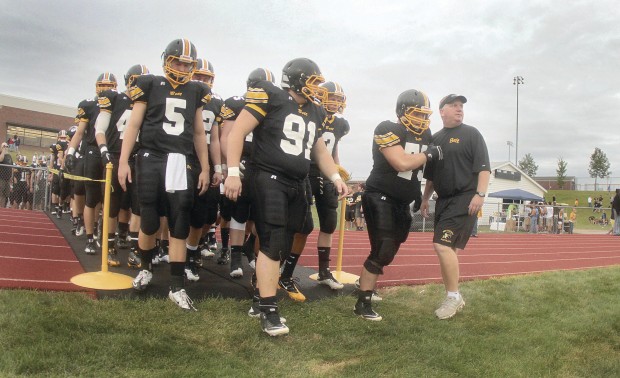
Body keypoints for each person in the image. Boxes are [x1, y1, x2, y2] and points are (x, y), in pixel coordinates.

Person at [224, 57, 348, 336]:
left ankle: (261, 293)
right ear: (296, 79)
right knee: (272, 239)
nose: (318, 88)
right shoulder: (271, 96)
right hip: (269, 177)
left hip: (297, 182)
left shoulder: (315, 111)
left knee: (287, 239)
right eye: (313, 81)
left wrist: (336, 177)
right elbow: (236, 133)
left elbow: (319, 151)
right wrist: (232, 171)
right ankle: (269, 310)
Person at [118, 38, 211, 311]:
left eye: (187, 63)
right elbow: (133, 125)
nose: (182, 67)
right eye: (178, 62)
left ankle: (177, 285)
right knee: (148, 218)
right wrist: (124, 161)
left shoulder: (196, 90)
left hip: (181, 160)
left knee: (179, 221)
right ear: (167, 61)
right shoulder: (149, 84)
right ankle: (145, 267)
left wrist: (205, 167)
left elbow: (197, 133)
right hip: (150, 156)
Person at [355, 88, 440, 321]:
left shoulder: (427, 135)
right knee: (381, 250)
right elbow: (401, 163)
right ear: (403, 112)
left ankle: (363, 282)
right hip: (379, 196)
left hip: (403, 202)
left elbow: (427, 170)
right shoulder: (387, 128)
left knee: (390, 251)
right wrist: (429, 154)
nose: (423, 119)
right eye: (417, 114)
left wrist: (422, 196)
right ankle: (363, 302)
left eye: (425, 115)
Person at [279, 80, 350, 302]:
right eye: (333, 97)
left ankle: (323, 271)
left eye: (339, 98)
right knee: (301, 225)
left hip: (326, 175)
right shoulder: (312, 112)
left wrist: (337, 171)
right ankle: (285, 271)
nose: (336, 102)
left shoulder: (340, 124)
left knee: (329, 224)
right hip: (306, 171)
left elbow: (333, 147)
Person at [421, 94, 491, 320]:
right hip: (443, 200)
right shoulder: (435, 138)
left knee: (441, 246)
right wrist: (424, 199)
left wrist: (480, 194)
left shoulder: (471, 134)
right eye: (454, 105)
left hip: (465, 198)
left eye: (461, 106)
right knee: (448, 251)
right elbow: (430, 176)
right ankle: (451, 295)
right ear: (442, 111)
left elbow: (483, 168)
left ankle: (453, 296)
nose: (459, 109)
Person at [0, 142, 14, 208]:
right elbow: (1, 159)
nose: (6, 147)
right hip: (1, 178)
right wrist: (3, 150)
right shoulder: (1, 154)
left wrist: (12, 176)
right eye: (4, 146)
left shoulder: (9, 156)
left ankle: (3, 207)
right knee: (1, 194)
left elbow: (11, 166)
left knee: (6, 195)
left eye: (6, 146)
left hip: (8, 178)